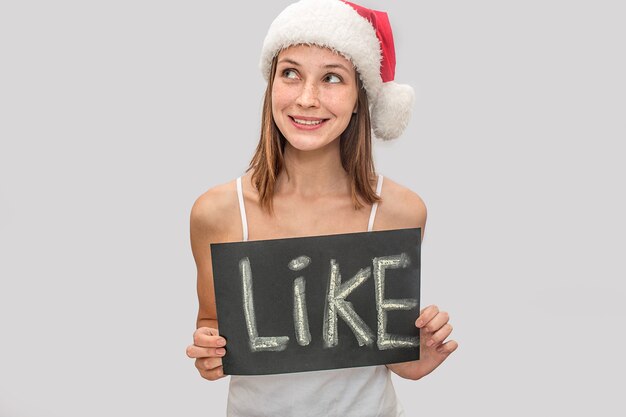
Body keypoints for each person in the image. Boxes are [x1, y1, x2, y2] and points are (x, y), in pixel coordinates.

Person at [185, 0, 458, 415]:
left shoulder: (400, 211)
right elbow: (213, 325)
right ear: (271, 84)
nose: (307, 98)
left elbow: (383, 350)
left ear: (358, 98)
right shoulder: (217, 212)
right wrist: (209, 354)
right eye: (290, 73)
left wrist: (415, 358)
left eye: (332, 78)